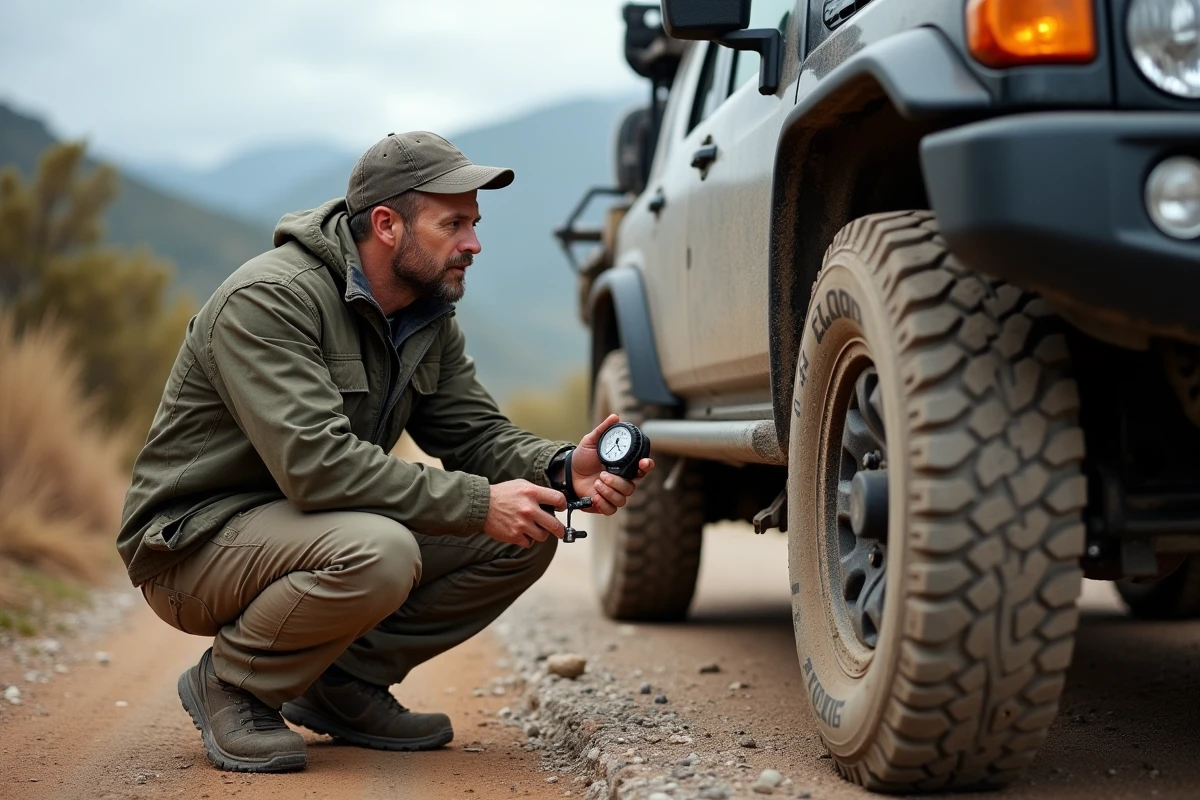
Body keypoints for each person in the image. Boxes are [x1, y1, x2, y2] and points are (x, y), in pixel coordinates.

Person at [115, 132, 654, 773]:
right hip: (194, 545)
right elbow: (319, 468)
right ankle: (233, 684)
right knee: (382, 551)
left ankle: (341, 685)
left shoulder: (425, 314)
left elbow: (476, 434)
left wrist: (562, 469)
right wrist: (480, 502)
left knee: (526, 531)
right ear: (386, 225)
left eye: (474, 224)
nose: (473, 244)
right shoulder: (269, 299)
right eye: (453, 225)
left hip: (312, 525)